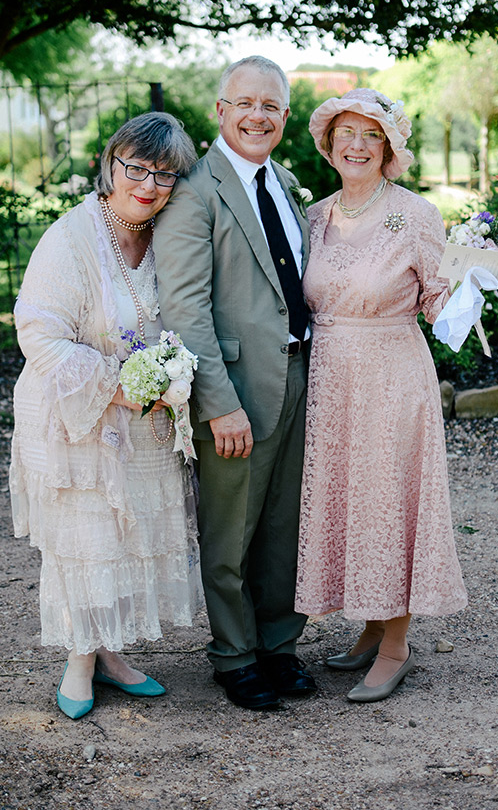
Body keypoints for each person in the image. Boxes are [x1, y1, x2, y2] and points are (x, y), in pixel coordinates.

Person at [9, 112, 203, 719]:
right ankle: (79, 661)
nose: (148, 184)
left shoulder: (169, 234)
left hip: (145, 421)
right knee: (88, 539)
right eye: (136, 168)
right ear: (111, 165)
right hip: (80, 417)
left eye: (165, 174)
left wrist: (166, 377)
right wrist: (115, 385)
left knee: (128, 539)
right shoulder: (72, 236)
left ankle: (112, 656)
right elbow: (38, 332)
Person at [294, 89, 467, 702]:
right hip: (331, 379)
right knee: (351, 501)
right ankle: (369, 626)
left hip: (393, 375)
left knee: (389, 499)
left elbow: (437, 297)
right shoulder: (314, 217)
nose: (357, 144)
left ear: (389, 146)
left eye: (371, 134)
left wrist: (468, 285)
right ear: (329, 142)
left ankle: (396, 643)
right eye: (347, 131)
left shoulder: (415, 213)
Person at [154, 56, 316, 710]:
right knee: (231, 531)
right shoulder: (196, 191)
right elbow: (186, 307)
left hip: (300, 375)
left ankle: (278, 647)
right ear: (220, 110)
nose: (258, 115)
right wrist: (218, 405)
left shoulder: (283, 181)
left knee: (284, 527)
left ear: (284, 116)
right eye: (245, 103)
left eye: (271, 106)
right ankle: (234, 656)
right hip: (235, 387)